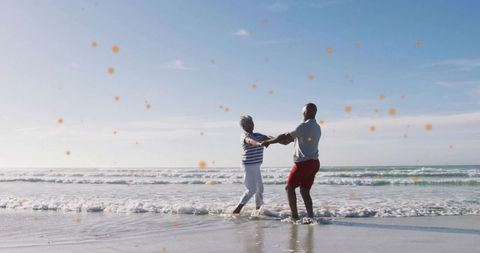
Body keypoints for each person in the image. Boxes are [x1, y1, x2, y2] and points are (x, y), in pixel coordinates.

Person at [261, 103, 321, 222]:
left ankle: (294, 216)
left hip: (303, 164)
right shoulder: (317, 127)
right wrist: (276, 140)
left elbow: (284, 136)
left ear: (306, 112)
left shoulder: (303, 126)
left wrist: (269, 142)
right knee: (304, 191)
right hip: (314, 163)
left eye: (303, 111)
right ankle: (310, 216)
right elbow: (287, 140)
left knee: (289, 188)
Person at [233, 115, 272, 214]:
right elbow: (251, 141)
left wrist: (281, 139)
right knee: (252, 189)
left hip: (257, 165)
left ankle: (258, 209)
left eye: (252, 122)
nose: (252, 124)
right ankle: (237, 210)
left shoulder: (258, 135)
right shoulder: (245, 136)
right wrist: (260, 144)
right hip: (248, 165)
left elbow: (269, 137)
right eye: (249, 123)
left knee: (260, 189)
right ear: (244, 126)